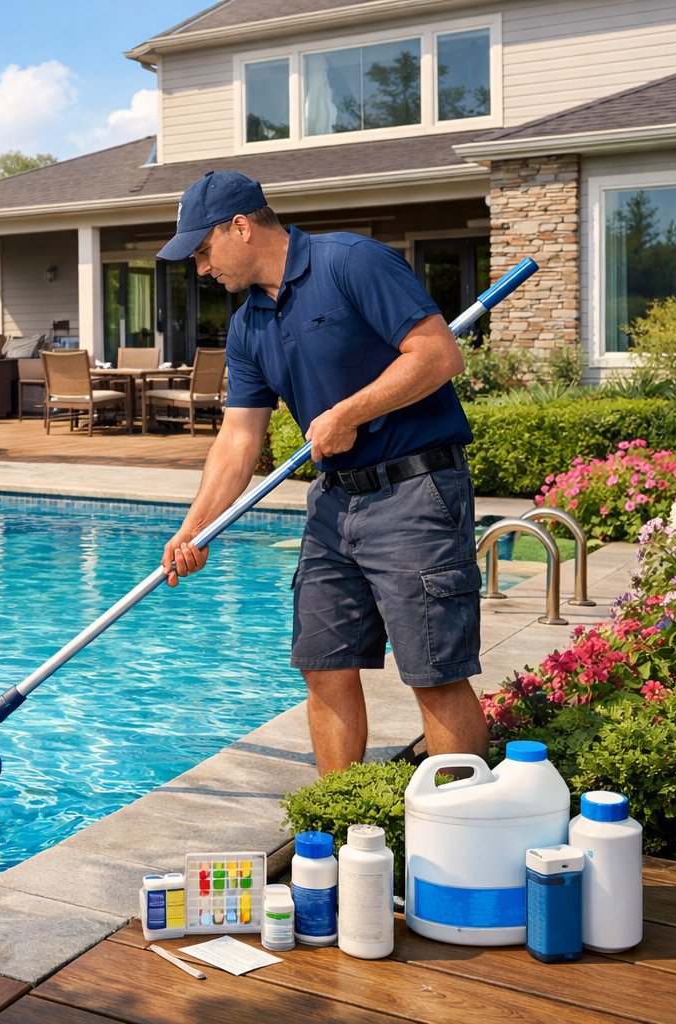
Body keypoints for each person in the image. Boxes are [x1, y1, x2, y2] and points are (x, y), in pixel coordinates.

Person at [156, 171, 488, 776]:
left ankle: (464, 837)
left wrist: (350, 412)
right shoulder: (248, 325)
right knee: (325, 663)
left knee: (433, 671)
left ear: (241, 227)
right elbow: (238, 438)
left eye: (203, 251)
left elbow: (439, 354)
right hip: (335, 502)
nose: (203, 269)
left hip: (415, 490)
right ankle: (339, 822)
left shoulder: (351, 263)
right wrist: (194, 529)